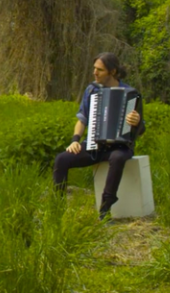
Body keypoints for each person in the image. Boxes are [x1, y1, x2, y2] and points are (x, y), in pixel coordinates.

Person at [53, 52, 145, 220]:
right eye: (94, 69)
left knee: (117, 158)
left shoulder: (131, 93)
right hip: (94, 145)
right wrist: (75, 140)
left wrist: (136, 121)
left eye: (100, 70)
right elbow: (82, 119)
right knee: (61, 159)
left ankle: (105, 209)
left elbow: (141, 129)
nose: (95, 73)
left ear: (113, 72)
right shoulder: (91, 90)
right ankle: (57, 210)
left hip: (120, 147)